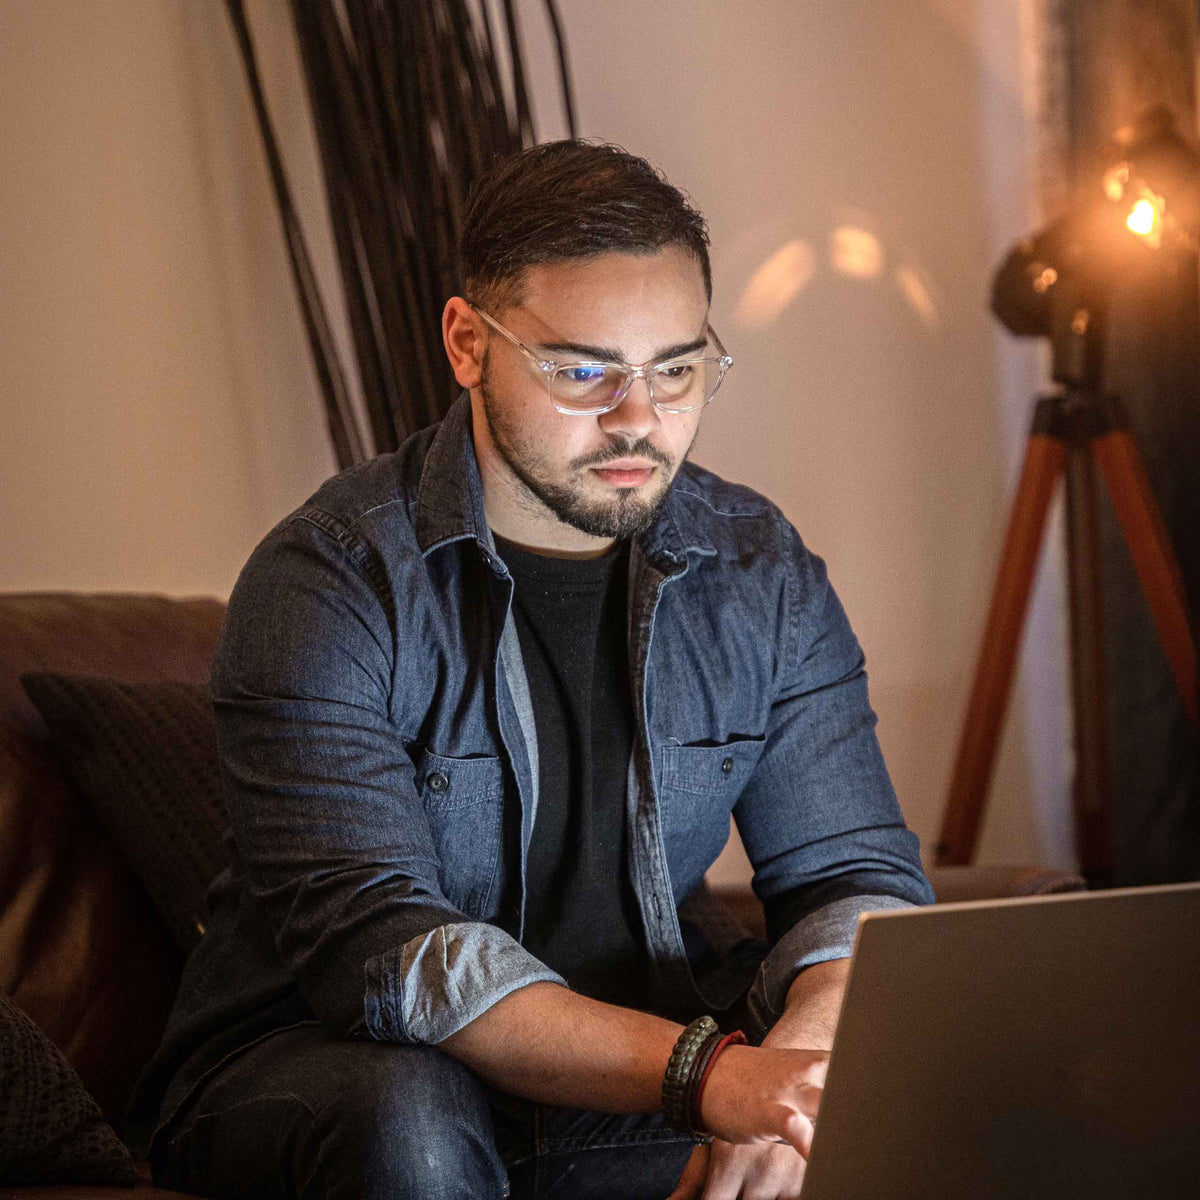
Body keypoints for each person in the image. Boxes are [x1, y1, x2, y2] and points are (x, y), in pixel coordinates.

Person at [128, 140, 933, 1200]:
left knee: (970, 1081)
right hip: (330, 1066)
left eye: (678, 368)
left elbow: (852, 877)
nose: (638, 418)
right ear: (469, 343)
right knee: (411, 1119)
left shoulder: (757, 568)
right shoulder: (329, 580)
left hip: (639, 1065)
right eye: (583, 369)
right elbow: (391, 953)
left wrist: (800, 1093)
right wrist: (710, 1077)